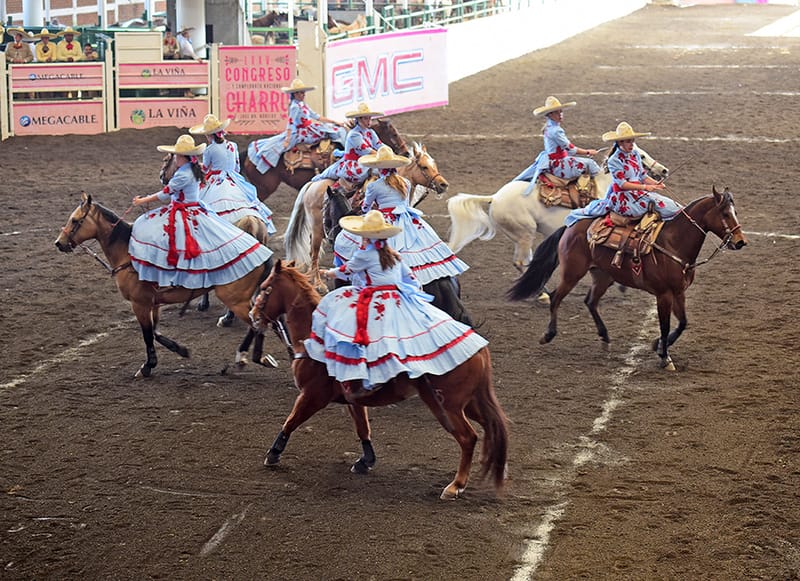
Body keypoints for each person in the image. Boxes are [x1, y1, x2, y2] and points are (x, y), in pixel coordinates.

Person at [309, 210, 488, 400]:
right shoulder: (394, 255)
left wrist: (327, 273)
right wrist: (411, 295)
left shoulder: (364, 255)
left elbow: (346, 270)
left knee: (357, 327)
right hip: (398, 296)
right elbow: (411, 279)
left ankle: (371, 377)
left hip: (374, 298)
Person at [128, 135, 273, 289]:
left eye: (177, 155)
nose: (175, 158)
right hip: (200, 205)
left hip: (185, 210)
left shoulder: (183, 174)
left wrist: (141, 201)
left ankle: (172, 272)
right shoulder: (194, 169)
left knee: (160, 233)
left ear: (182, 157)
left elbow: (165, 194)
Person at [334, 145, 468, 286]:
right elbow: (405, 204)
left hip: (385, 219)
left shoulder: (374, 186)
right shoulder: (406, 183)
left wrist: (369, 208)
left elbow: (366, 207)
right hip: (406, 219)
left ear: (378, 166)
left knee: (345, 239)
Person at [564, 121, 682, 227]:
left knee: (670, 204)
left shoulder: (635, 154)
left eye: (632, 141)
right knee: (659, 205)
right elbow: (622, 184)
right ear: (620, 142)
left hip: (637, 193)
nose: (632, 144)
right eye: (628, 141)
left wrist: (656, 184)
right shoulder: (614, 160)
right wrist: (646, 187)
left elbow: (642, 175)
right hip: (623, 198)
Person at [189, 114, 277, 233]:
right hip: (233, 177)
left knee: (198, 201)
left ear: (209, 135)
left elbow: (205, 169)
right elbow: (236, 167)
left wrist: (197, 165)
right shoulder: (233, 145)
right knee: (248, 198)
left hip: (216, 178)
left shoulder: (209, 150)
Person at [248, 78, 346, 173]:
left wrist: (334, 121)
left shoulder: (303, 104)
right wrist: (287, 139)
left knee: (334, 129)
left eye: (304, 92)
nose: (304, 95)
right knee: (329, 133)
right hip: (303, 132)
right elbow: (290, 123)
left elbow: (317, 116)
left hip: (311, 128)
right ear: (295, 94)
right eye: (301, 93)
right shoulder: (295, 107)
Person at [516, 96, 600, 193]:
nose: (560, 114)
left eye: (561, 112)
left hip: (551, 161)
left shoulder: (549, 127)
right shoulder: (556, 131)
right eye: (557, 112)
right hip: (559, 164)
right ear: (550, 114)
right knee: (590, 164)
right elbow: (570, 148)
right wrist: (588, 152)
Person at [311, 102, 385, 193]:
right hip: (355, 165)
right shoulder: (354, 134)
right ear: (359, 119)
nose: (369, 121)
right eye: (366, 118)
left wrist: (388, 152)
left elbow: (379, 144)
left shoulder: (370, 132)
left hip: (367, 161)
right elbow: (366, 150)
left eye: (370, 118)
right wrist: (383, 155)